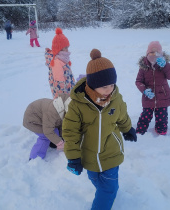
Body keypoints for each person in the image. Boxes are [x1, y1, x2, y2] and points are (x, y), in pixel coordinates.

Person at [62, 49, 137, 210]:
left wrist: (127, 128)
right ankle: (106, 192)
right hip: (88, 155)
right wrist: (73, 157)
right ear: (92, 84)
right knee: (95, 180)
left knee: (108, 189)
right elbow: (70, 132)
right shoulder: (77, 105)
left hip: (111, 152)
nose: (109, 90)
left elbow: (122, 115)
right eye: (104, 86)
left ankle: (106, 196)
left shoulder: (115, 98)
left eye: (111, 84)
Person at [135, 41, 170, 135]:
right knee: (146, 115)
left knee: (162, 117)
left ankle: (161, 131)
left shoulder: (164, 65)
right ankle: (140, 131)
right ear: (147, 53)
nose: (154, 54)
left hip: (162, 97)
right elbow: (138, 81)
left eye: (157, 52)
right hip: (149, 97)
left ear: (161, 54)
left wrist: (165, 66)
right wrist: (144, 90)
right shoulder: (143, 67)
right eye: (151, 52)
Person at [23, 94, 71, 160]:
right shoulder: (52, 113)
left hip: (42, 118)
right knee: (45, 136)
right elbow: (47, 131)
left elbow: (61, 124)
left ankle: (52, 142)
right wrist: (60, 143)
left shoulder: (61, 109)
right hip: (32, 121)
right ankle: (35, 157)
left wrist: (63, 137)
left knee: (55, 131)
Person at [44, 28, 75, 99]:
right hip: (63, 96)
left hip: (68, 90)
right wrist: (64, 98)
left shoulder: (62, 58)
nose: (67, 50)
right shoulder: (57, 62)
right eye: (65, 48)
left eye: (68, 47)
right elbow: (59, 83)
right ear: (59, 49)